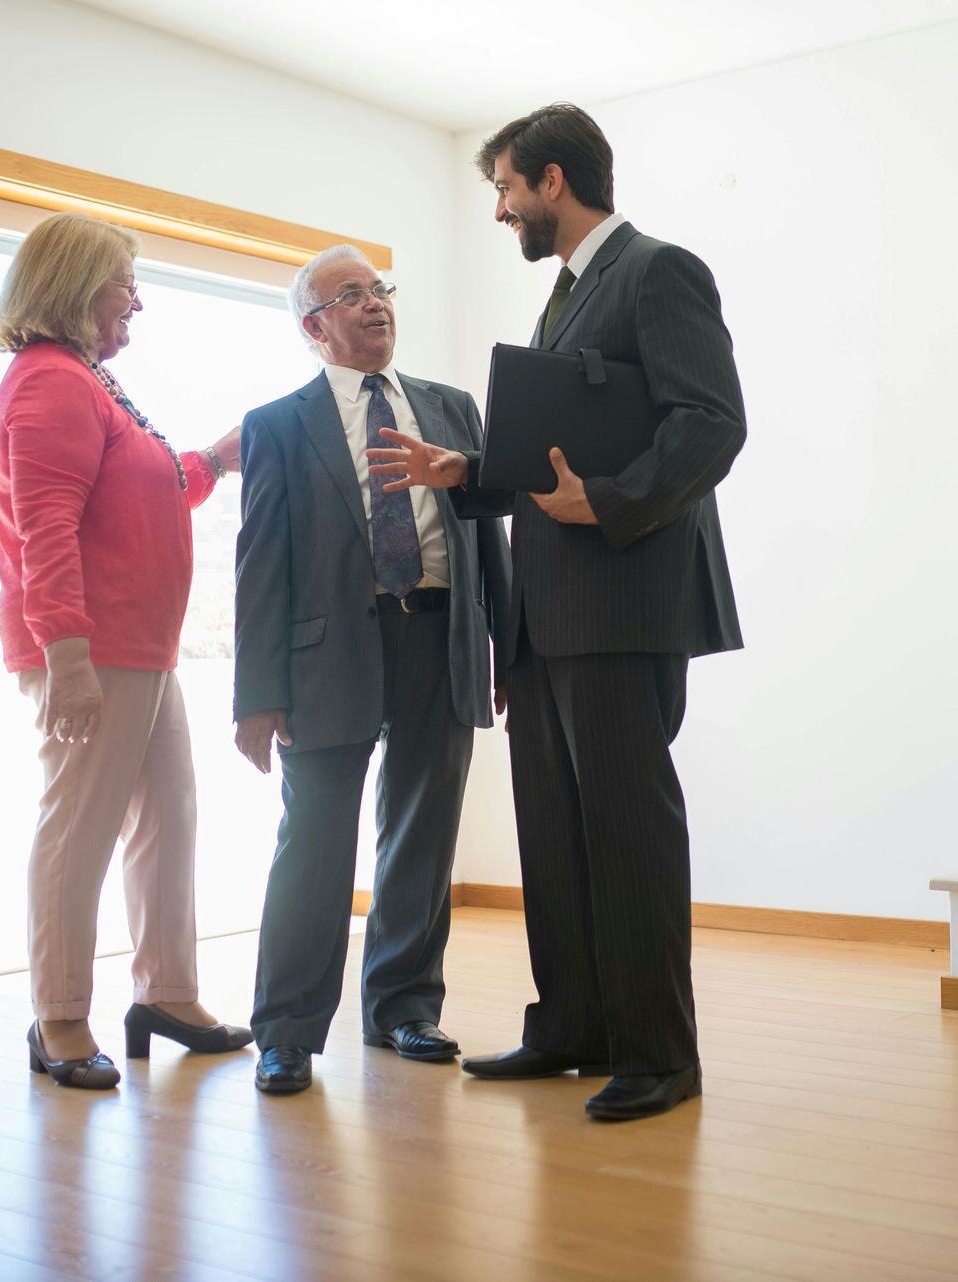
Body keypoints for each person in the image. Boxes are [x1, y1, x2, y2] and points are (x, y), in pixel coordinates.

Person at [368, 104, 744, 1120]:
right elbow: (557, 448)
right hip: (544, 612)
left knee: (629, 831)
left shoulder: (659, 272)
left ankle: (662, 1056)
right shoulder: (567, 296)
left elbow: (712, 423)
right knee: (556, 832)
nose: (499, 210)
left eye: (504, 189)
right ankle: (573, 1026)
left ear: (552, 180)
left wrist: (610, 500)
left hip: (621, 602)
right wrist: (471, 471)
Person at [233, 245, 514, 1096]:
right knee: (314, 844)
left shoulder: (452, 408)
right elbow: (260, 565)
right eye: (350, 296)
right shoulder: (278, 424)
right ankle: (285, 1031)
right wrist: (257, 695)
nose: (374, 305)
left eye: (379, 290)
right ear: (315, 328)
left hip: (440, 637)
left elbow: (486, 536)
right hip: (330, 656)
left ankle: (402, 1010)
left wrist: (505, 645)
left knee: (422, 838)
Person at [0, 211, 251, 1089]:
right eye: (124, 281)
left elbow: (154, 489)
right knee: (80, 830)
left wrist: (215, 457)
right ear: (74, 286)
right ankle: (59, 1017)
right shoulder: (49, 384)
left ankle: (166, 992)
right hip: (92, 651)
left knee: (168, 818)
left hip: (144, 651)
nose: (137, 298)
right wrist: (67, 662)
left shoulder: (91, 382)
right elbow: (46, 534)